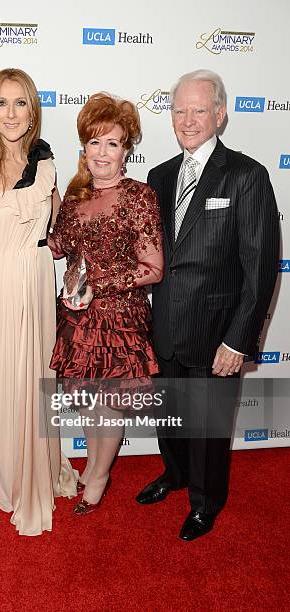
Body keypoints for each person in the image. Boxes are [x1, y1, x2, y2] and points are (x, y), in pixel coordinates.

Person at [136, 69, 280, 541]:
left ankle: (206, 500)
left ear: (220, 114)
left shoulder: (246, 175)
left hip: (217, 330)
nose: (188, 119)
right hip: (167, 327)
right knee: (171, 417)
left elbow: (259, 271)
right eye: (179, 110)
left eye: (199, 109)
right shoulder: (159, 176)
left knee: (209, 427)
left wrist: (239, 340)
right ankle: (175, 475)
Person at [0, 68, 76, 536]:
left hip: (37, 285)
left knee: (37, 384)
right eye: (1, 103)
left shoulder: (45, 165)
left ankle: (41, 472)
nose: (10, 113)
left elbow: (63, 230)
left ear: (32, 113)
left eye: (20, 103)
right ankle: (10, 480)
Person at [49, 92, 163, 515]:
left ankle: (98, 475)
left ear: (126, 150)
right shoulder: (78, 198)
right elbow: (58, 247)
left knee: (109, 401)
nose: (102, 152)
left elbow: (152, 268)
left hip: (119, 318)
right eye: (95, 142)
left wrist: (99, 282)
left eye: (112, 143)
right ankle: (95, 466)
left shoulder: (139, 196)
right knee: (88, 400)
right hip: (78, 316)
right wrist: (51, 196)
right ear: (84, 148)